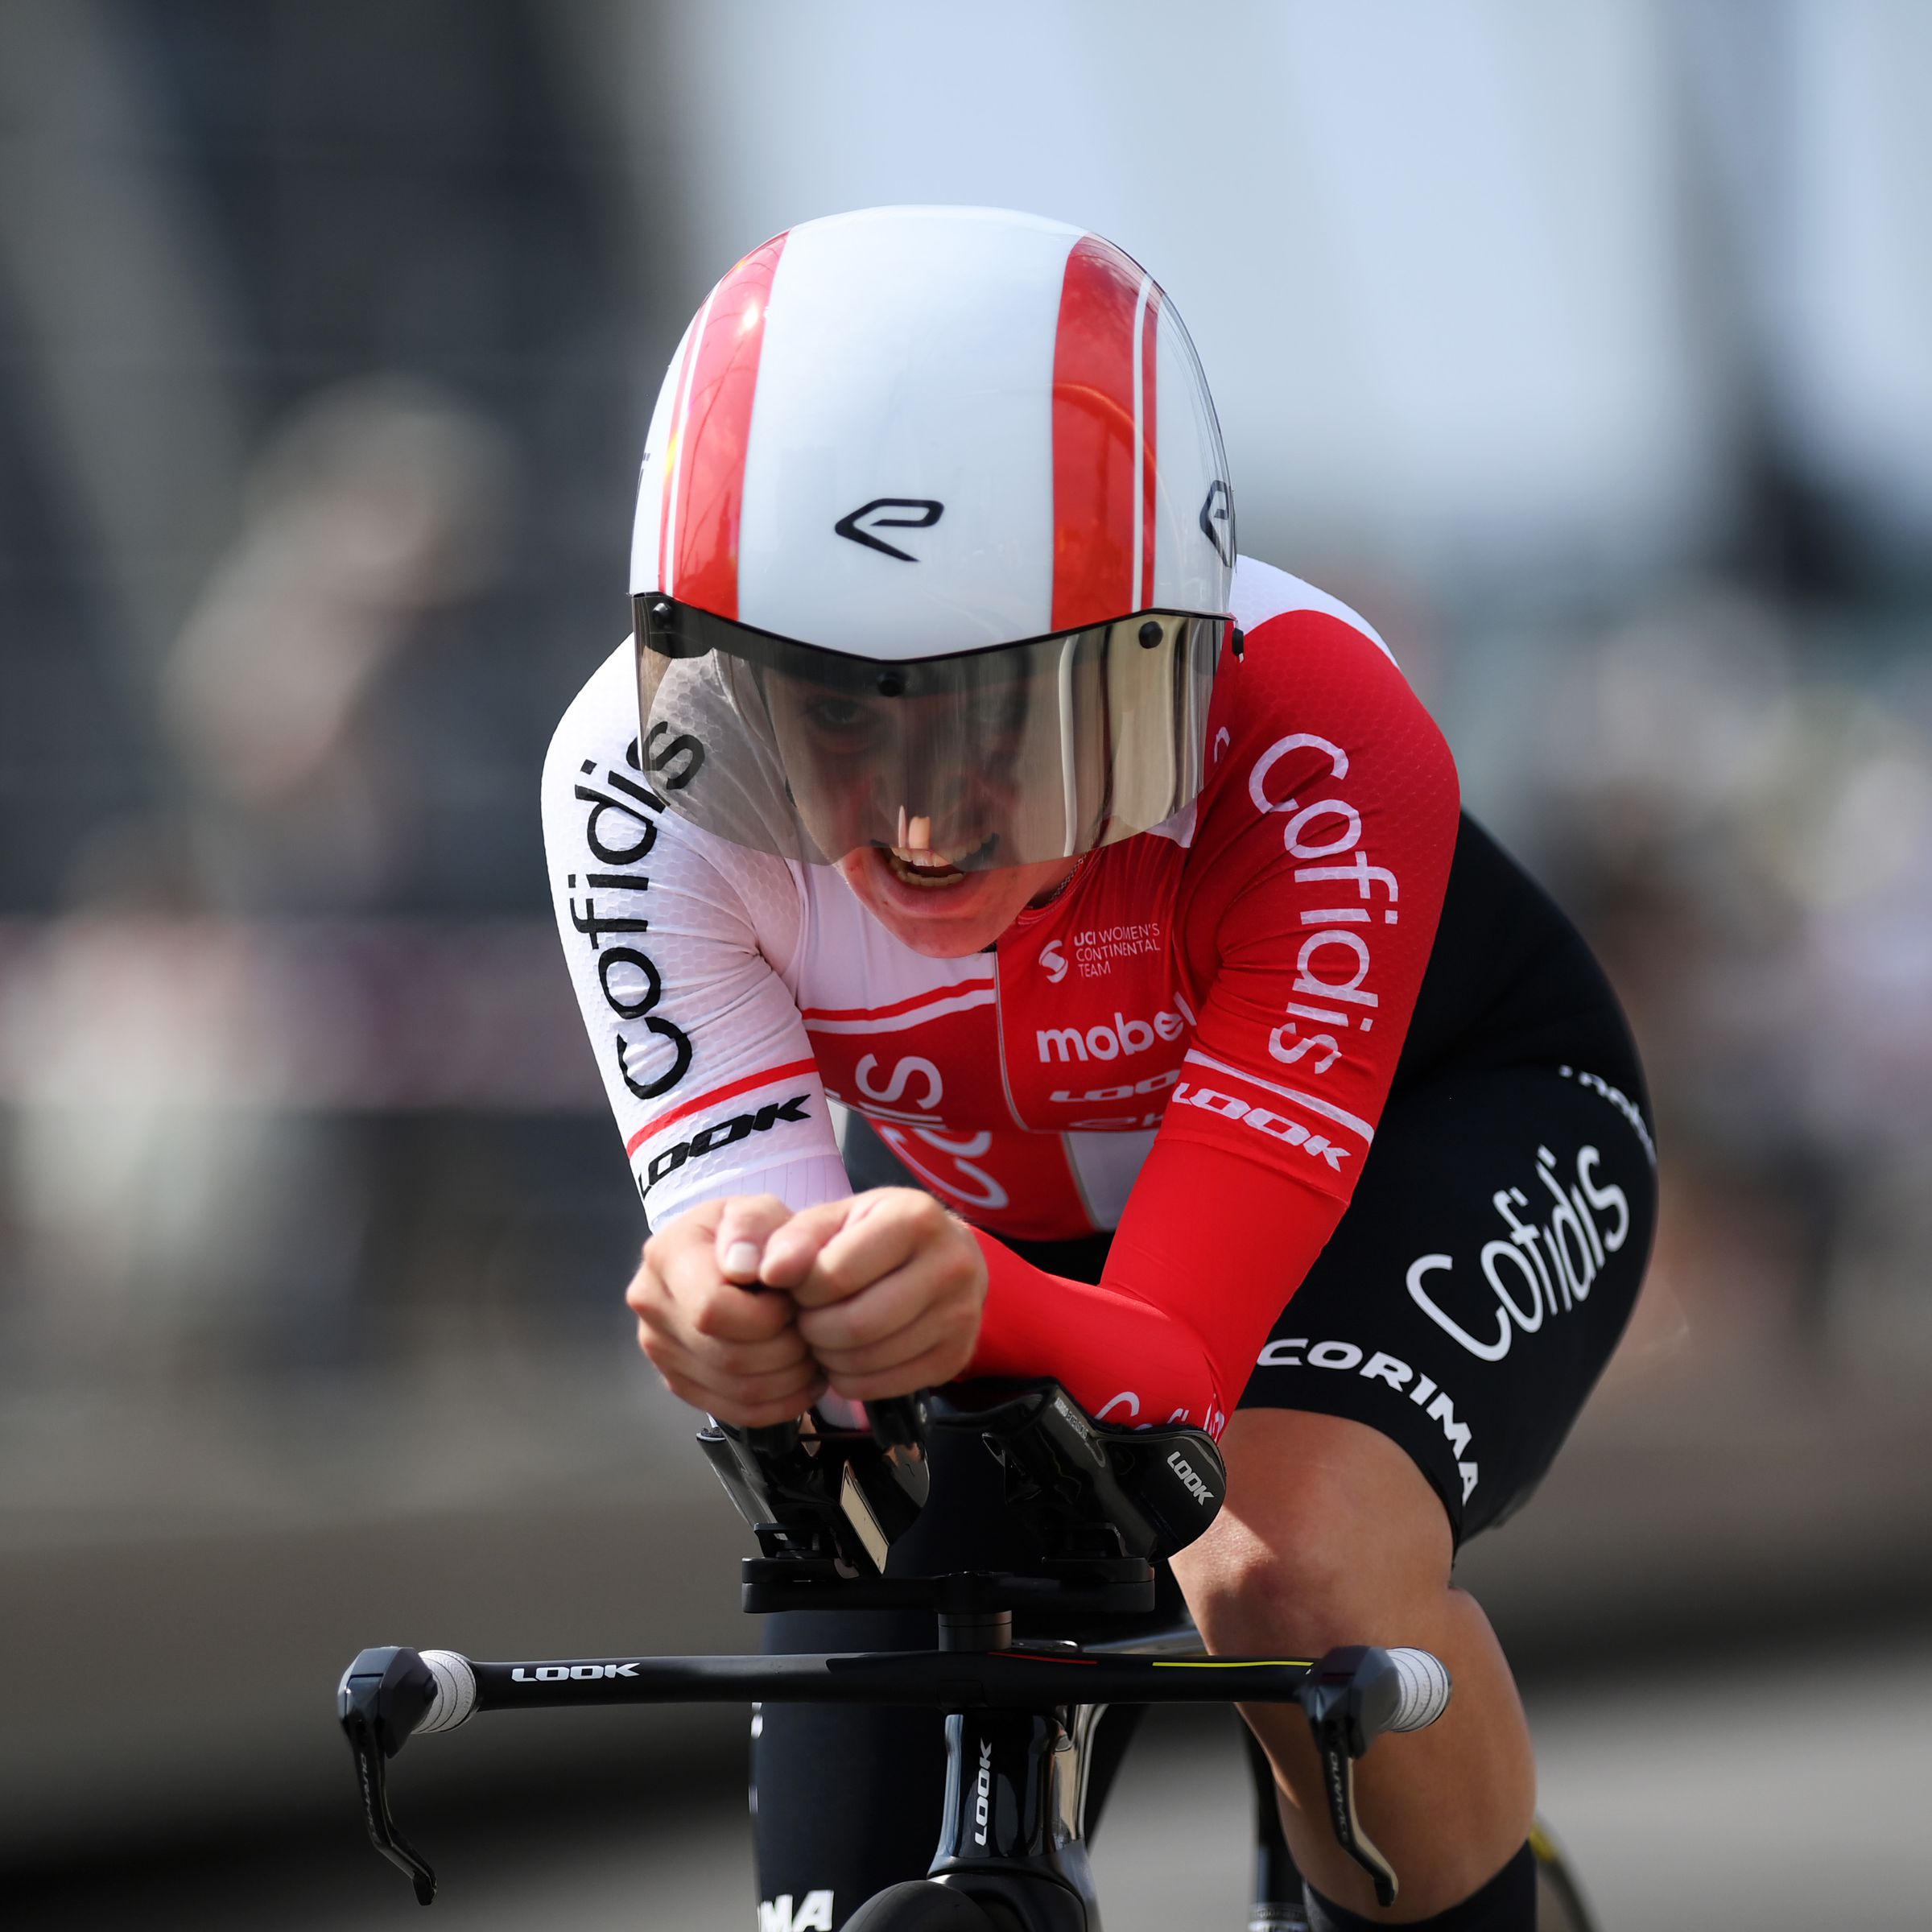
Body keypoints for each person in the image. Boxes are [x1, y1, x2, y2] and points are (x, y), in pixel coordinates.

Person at [543, 206, 1655, 1932]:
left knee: (1288, 1569)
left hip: (1432, 1141)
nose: (917, 822)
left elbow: (1176, 1365)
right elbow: (764, 1282)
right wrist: (725, 1312)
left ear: (1160, 666)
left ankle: (1458, 1880)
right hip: (992, 1239)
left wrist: (946, 1301)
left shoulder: (1314, 727)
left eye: (1003, 718)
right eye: (834, 712)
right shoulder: (636, 781)